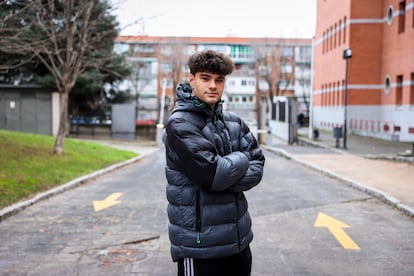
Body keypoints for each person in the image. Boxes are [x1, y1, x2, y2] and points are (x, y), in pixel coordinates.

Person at [164, 49, 265, 276]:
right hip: (200, 246)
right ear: (192, 80)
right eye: (206, 78)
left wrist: (227, 170)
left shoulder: (233, 122)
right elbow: (213, 175)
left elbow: (257, 164)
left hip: (238, 242)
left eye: (219, 80)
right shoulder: (180, 124)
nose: (213, 86)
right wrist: (240, 158)